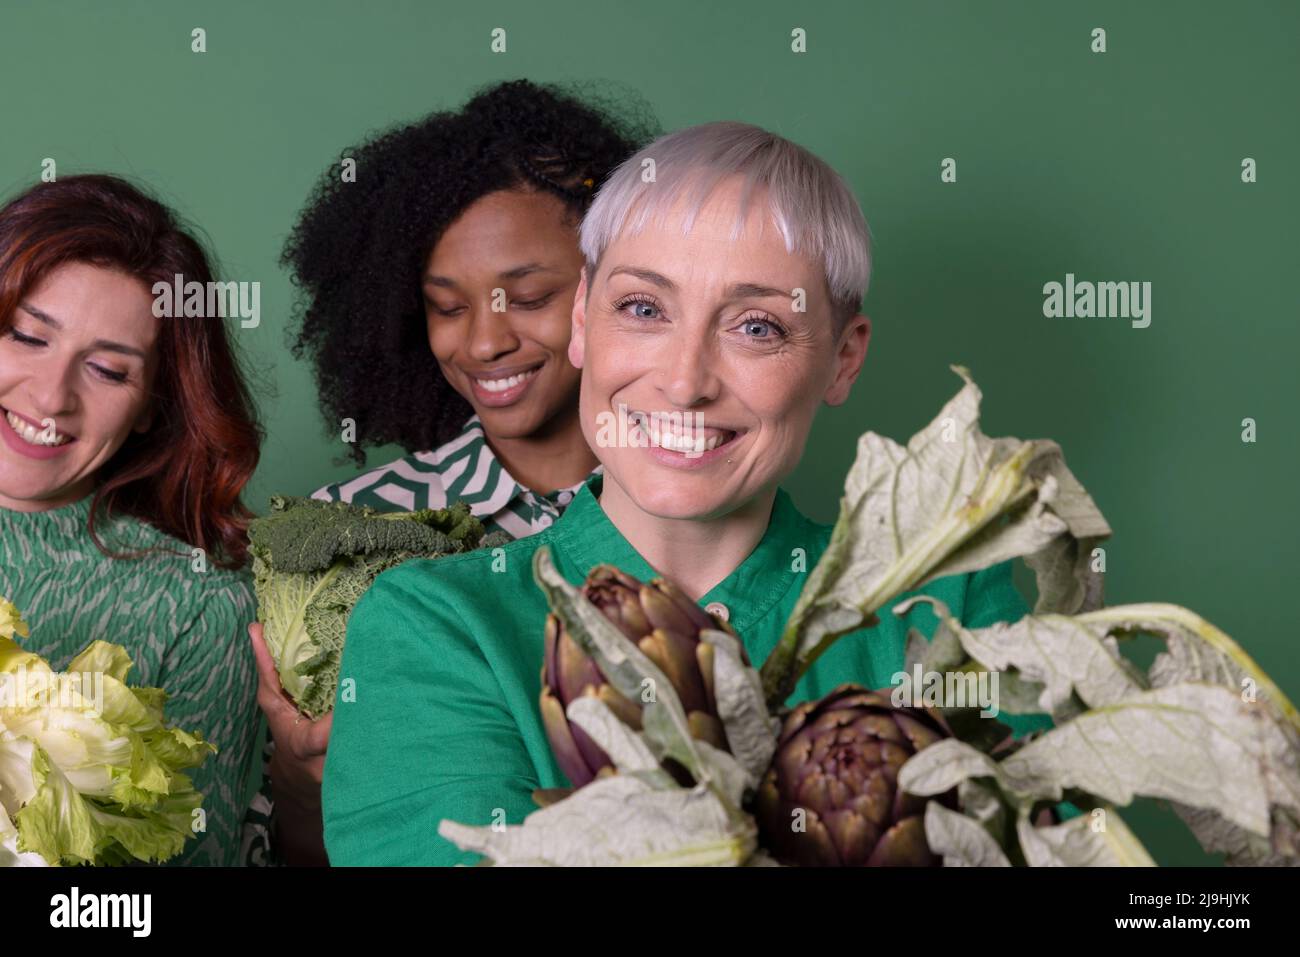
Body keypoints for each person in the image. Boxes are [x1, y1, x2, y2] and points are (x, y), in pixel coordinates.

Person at [321, 121, 1056, 866]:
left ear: (843, 359)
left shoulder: (951, 607)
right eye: (644, 308)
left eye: (757, 326)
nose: (685, 380)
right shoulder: (436, 626)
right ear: (582, 322)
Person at [243, 79, 658, 865]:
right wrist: (302, 786)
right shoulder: (345, 533)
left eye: (527, 295)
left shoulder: (689, 505)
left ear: (619, 288)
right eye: (446, 306)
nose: (484, 342)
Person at [0, 174, 262, 866]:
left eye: (109, 371)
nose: (51, 396)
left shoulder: (196, 605)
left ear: (152, 405)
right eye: (28, 336)